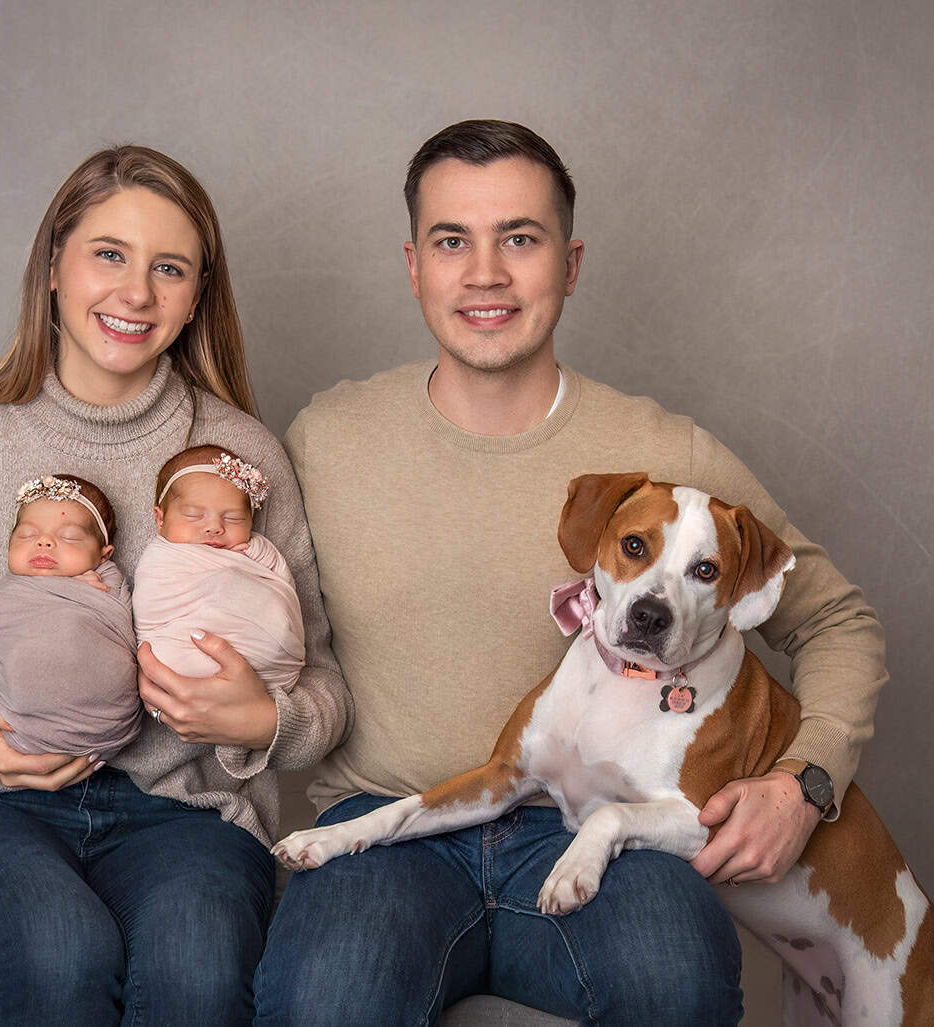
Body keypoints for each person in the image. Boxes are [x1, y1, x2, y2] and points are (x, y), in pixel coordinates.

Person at [255, 120, 887, 1025]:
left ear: (571, 262)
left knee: (677, 984)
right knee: (323, 999)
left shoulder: (668, 458)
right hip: (394, 819)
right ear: (414, 265)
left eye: (520, 238)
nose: (485, 273)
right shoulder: (328, 439)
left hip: (611, 829)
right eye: (452, 241)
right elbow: (271, 630)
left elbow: (836, 620)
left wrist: (805, 782)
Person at [0, 145, 350, 1026]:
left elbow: (327, 686)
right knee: (59, 949)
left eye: (170, 268)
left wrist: (266, 720)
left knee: (197, 971)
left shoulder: (243, 459)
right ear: (53, 265)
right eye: (109, 253)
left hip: (185, 817)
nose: (136, 292)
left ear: (198, 293)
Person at [0, 473, 142, 762]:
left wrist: (77, 588)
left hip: (105, 723)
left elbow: (118, 627)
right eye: (27, 535)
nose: (44, 542)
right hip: (8, 733)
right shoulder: (9, 594)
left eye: (69, 537)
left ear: (103, 556)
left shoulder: (106, 582)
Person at [133, 444, 305, 692]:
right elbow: (151, 608)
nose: (214, 527)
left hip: (268, 666)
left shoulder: (255, 548)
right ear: (160, 519)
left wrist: (251, 556)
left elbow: (282, 587)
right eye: (194, 515)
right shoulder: (159, 559)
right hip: (180, 654)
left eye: (233, 518)